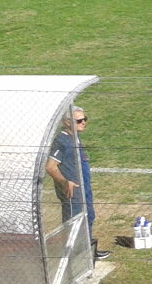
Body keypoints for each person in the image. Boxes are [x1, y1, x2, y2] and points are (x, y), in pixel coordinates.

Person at [46, 107, 109, 261]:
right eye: (79, 120)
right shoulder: (62, 141)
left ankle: (87, 252)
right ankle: (70, 259)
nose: (84, 122)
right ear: (67, 123)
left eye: (84, 119)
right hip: (72, 191)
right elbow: (50, 167)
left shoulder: (74, 137)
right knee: (73, 223)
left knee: (89, 217)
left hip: (84, 188)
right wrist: (64, 182)